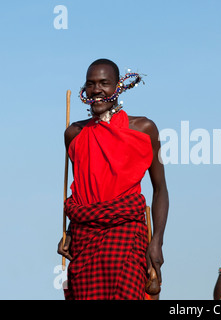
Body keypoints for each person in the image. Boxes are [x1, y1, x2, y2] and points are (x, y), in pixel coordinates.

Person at [57, 58, 169, 300]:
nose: (97, 90)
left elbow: (160, 190)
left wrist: (157, 241)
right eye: (91, 84)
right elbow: (83, 189)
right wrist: (68, 232)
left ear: (119, 86)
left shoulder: (144, 129)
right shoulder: (74, 133)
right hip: (85, 238)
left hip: (126, 235)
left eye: (104, 83)